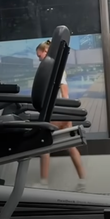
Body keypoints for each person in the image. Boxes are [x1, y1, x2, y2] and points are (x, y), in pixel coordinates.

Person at [32, 39, 87, 192]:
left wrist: (64, 112)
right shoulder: (53, 68)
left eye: (39, 56)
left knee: (44, 143)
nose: (39, 59)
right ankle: (83, 180)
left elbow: (65, 93)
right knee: (71, 146)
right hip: (60, 112)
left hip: (58, 112)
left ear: (46, 52)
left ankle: (44, 182)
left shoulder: (56, 69)